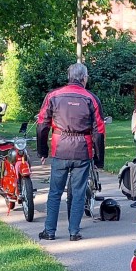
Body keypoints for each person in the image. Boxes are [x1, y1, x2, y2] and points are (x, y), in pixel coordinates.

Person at [36, 62, 105, 242]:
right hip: (82, 150)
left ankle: (49, 231)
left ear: (69, 76)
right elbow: (99, 131)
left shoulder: (53, 96)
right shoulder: (91, 98)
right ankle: (74, 231)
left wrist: (42, 151)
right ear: (84, 78)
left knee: (55, 192)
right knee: (78, 192)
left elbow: (42, 125)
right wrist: (99, 159)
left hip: (60, 148)